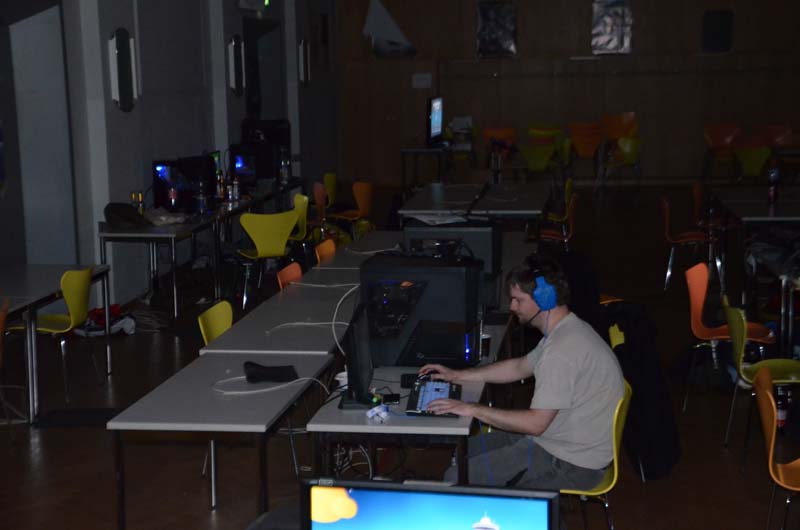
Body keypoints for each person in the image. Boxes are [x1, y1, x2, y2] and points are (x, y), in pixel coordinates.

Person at [420, 253, 624, 490]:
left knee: (455, 477)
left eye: (518, 300)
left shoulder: (561, 351)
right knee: (464, 451)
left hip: (572, 462)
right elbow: (519, 366)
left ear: (545, 300)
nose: (512, 307)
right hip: (560, 440)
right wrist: (458, 375)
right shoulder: (566, 329)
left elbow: (535, 424)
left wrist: (472, 409)